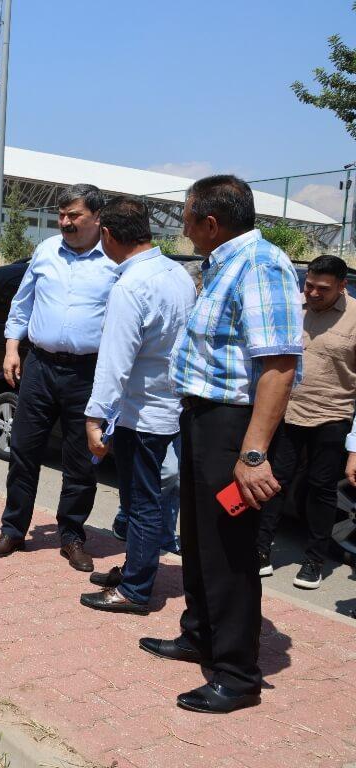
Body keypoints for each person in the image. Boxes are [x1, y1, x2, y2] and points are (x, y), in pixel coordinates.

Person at [141, 175, 302, 715]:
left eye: (185, 216)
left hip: (235, 429)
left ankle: (236, 674)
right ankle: (201, 635)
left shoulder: (261, 265)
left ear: (210, 223)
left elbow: (278, 365)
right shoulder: (221, 265)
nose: (181, 226)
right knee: (199, 539)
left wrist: (253, 452)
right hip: (203, 422)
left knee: (230, 549)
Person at [0, 184, 117, 572]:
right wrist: (12, 348)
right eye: (61, 215)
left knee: (81, 460)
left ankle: (72, 536)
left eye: (73, 216)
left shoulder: (113, 261)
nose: (64, 222)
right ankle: (13, 529)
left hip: (88, 372)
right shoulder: (44, 253)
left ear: (96, 218)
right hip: (39, 367)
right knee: (23, 452)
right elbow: (21, 304)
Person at [78, 197, 196, 614]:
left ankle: (135, 589)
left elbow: (114, 361)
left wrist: (95, 418)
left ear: (108, 235)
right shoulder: (178, 275)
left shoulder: (130, 286)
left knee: (142, 505)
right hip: (170, 409)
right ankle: (135, 570)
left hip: (141, 415)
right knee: (148, 501)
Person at [255, 255, 355, 588]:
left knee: (321, 489)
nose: (311, 293)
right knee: (274, 482)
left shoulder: (355, 317)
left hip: (332, 416)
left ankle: (314, 559)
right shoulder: (293, 308)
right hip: (287, 411)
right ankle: (261, 551)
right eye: (308, 285)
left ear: (342, 286)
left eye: (322, 289)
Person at [112, 436, 181, 555]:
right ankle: (126, 516)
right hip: (160, 421)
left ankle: (167, 538)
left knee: (178, 480)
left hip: (184, 419)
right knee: (169, 471)